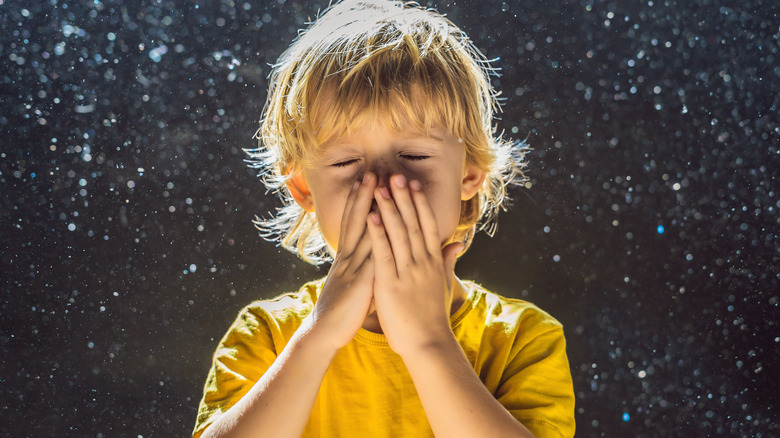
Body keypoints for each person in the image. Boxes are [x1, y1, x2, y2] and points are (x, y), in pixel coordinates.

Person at [193, 0, 575, 437]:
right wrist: (321, 335)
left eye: (414, 155)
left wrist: (427, 342)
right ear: (302, 189)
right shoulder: (267, 334)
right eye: (345, 162)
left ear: (470, 173)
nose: (380, 184)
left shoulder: (522, 339)